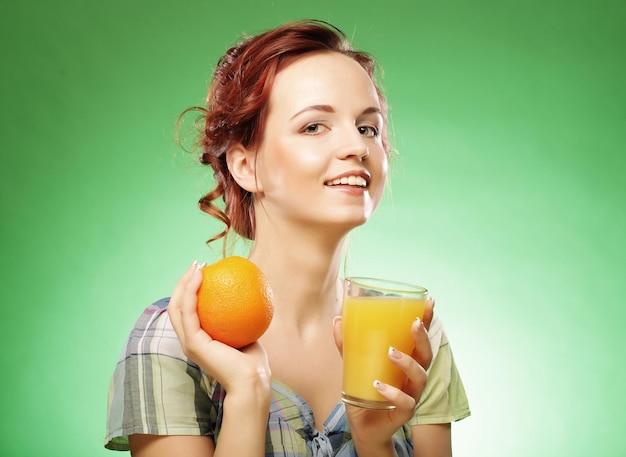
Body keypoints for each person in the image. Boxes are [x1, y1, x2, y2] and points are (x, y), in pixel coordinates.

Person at [104, 19, 470, 457]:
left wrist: (376, 444)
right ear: (246, 166)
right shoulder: (176, 340)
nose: (357, 146)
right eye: (314, 126)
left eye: (368, 127)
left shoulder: (410, 331)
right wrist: (246, 395)